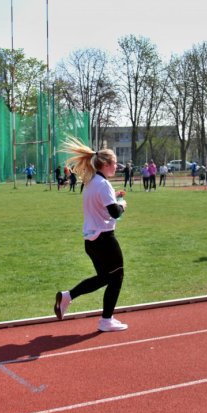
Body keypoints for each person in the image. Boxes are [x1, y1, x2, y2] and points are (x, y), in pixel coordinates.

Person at [53, 138, 129, 332]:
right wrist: (122, 205)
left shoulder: (91, 182)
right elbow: (114, 212)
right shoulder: (103, 184)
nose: (116, 167)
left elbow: (101, 205)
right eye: (114, 163)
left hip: (91, 239)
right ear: (105, 164)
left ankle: (67, 296)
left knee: (105, 277)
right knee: (117, 275)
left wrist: (115, 197)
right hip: (104, 238)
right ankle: (106, 320)